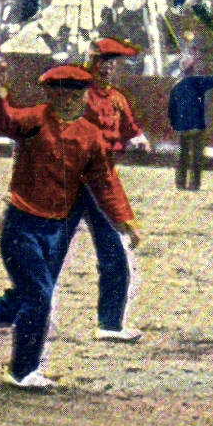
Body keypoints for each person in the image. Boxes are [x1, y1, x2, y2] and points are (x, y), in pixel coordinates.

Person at [0, 63, 142, 389]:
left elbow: (104, 182)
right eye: (63, 95)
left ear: (84, 97)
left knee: (31, 297)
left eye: (76, 95)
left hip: (55, 231)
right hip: (20, 227)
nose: (70, 101)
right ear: (51, 95)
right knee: (41, 297)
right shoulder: (33, 120)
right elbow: (3, 118)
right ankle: (23, 371)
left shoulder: (91, 137)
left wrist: (123, 220)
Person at [67, 37, 149, 341]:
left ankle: (110, 324)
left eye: (114, 61)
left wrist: (138, 138)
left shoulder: (116, 98)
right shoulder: (78, 94)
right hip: (73, 179)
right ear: (91, 60)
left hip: (97, 179)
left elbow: (129, 126)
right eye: (104, 59)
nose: (109, 66)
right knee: (52, 250)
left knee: (113, 253)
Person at [166, 54, 213, 190]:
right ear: (193, 69)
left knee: (183, 154)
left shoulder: (177, 83)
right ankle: (194, 184)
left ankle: (180, 183)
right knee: (197, 156)